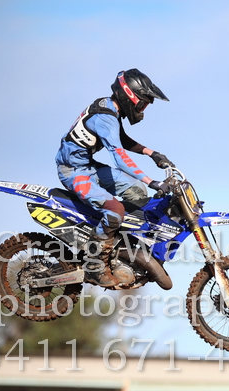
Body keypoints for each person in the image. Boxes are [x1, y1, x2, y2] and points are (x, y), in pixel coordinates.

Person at [55, 68, 174, 287]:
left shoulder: (111, 109)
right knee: (115, 209)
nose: (143, 109)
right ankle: (94, 266)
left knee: (137, 191)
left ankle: (121, 246)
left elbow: (123, 139)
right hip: (73, 172)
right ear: (130, 96)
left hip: (88, 167)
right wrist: (151, 181)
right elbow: (119, 158)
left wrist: (153, 154)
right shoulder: (104, 117)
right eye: (143, 104)